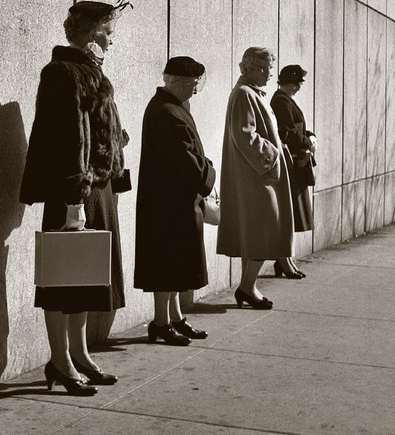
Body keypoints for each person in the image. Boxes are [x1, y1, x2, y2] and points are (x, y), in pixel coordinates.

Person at [19, 0, 133, 395]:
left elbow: (92, 130)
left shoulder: (88, 70)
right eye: (109, 32)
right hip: (74, 191)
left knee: (84, 276)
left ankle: (79, 354)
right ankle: (60, 360)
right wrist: (74, 200)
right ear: (92, 32)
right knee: (61, 278)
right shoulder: (63, 72)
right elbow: (68, 140)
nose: (112, 40)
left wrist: (114, 144)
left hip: (94, 188)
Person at [134, 56, 216, 345]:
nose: (195, 89)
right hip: (168, 201)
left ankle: (174, 318)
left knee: (174, 263)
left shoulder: (170, 106)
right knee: (167, 264)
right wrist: (209, 172)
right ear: (177, 82)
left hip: (172, 199)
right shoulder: (166, 111)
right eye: (193, 83)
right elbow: (185, 160)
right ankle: (161, 322)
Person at [216, 46, 293, 309]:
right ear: (258, 68)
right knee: (264, 232)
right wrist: (273, 155)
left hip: (258, 176)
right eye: (269, 68)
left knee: (255, 233)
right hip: (257, 178)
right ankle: (247, 286)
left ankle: (248, 286)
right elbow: (245, 135)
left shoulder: (249, 93)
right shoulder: (244, 94)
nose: (271, 73)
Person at [270, 64, 317, 279]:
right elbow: (286, 133)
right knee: (289, 216)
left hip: (296, 165)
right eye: (296, 84)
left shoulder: (284, 100)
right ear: (288, 83)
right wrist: (308, 140)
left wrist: (309, 135)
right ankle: (283, 259)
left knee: (292, 216)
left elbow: (295, 128)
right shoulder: (281, 101)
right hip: (292, 167)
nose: (298, 88)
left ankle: (285, 259)